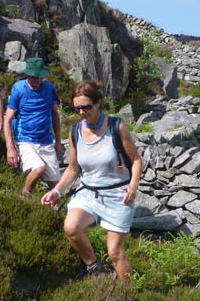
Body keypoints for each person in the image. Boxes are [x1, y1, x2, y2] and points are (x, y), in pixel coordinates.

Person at [41, 81, 142, 282]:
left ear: (98, 104)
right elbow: (73, 169)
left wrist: (132, 186)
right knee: (71, 228)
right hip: (88, 193)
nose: (81, 112)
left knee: (115, 252)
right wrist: (57, 192)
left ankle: (130, 296)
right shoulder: (75, 131)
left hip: (117, 195)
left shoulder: (116, 126)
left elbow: (137, 160)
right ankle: (95, 269)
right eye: (76, 108)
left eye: (86, 107)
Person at [4, 57, 62, 195]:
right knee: (39, 168)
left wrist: (58, 142)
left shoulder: (49, 89)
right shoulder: (19, 89)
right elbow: (8, 119)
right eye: (33, 77)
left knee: (56, 187)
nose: (36, 81)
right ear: (27, 75)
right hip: (25, 140)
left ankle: (53, 212)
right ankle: (25, 193)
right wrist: (10, 148)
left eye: (39, 77)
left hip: (46, 141)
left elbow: (55, 115)